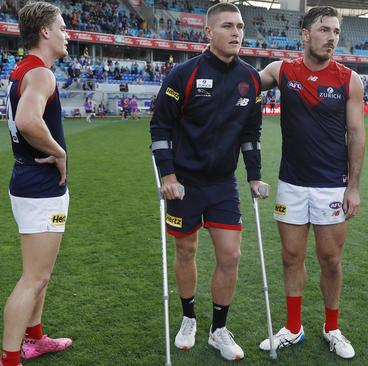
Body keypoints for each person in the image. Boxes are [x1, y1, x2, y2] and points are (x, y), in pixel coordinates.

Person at [150, 3, 267, 361]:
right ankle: (188, 318)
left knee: (230, 256)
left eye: (241, 27)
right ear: (208, 33)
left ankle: (219, 329)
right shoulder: (183, 74)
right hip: (183, 183)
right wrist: (168, 175)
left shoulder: (251, 78)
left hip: (222, 184)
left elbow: (251, 132)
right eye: (228, 26)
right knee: (186, 251)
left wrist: (255, 176)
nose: (237, 33)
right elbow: (160, 128)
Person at [256, 6, 365, 359]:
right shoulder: (282, 71)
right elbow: (242, 87)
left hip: (332, 184)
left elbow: (357, 134)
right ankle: (293, 327)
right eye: (324, 30)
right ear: (305, 34)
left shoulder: (349, 78)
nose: (331, 37)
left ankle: (332, 328)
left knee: (330, 260)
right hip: (291, 182)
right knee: (291, 257)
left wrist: (353, 187)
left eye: (335, 31)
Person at [0, 2, 73, 366]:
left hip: (30, 181)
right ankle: (10, 358)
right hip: (39, 186)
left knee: (40, 276)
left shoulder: (23, 70)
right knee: (33, 278)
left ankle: (34, 339)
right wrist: (59, 153)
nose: (66, 34)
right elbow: (27, 121)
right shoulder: (42, 74)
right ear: (45, 32)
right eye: (61, 27)